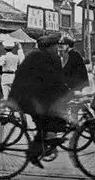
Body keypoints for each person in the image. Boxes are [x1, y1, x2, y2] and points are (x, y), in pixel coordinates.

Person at [9, 33, 69, 168]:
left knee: (54, 119)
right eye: (55, 46)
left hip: (37, 97)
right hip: (26, 97)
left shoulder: (49, 57)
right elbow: (52, 82)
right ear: (49, 47)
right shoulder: (38, 57)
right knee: (44, 122)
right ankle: (34, 153)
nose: (57, 48)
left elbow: (58, 81)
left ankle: (47, 144)